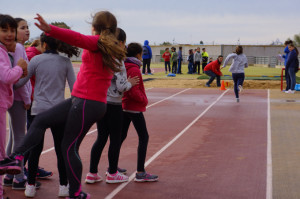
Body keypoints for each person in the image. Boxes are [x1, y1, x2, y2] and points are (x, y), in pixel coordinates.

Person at [0, 11, 126, 199]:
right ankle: (16, 157)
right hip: (82, 100)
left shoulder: (97, 42)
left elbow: (76, 38)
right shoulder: (106, 45)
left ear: (95, 26)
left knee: (68, 147)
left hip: (87, 102)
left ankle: (75, 192)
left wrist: (50, 29)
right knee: (41, 120)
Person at [15, 32, 78, 197]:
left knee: (35, 149)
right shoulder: (65, 62)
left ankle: (30, 187)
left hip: (38, 111)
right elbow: (74, 89)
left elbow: (20, 83)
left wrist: (14, 73)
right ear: (58, 45)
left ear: (43, 45)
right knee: (61, 149)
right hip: (59, 111)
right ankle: (64, 186)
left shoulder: (36, 60)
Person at [86, 28, 139, 184]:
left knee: (101, 137)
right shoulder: (118, 60)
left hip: (101, 102)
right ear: (121, 43)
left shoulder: (103, 57)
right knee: (115, 138)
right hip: (114, 104)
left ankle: (92, 173)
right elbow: (122, 86)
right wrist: (130, 82)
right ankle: (112, 173)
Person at [120, 42, 158, 182]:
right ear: (138, 54)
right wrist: (144, 100)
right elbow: (133, 91)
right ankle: (140, 172)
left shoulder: (124, 66)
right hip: (133, 107)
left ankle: (112, 167)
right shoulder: (134, 69)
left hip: (124, 106)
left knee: (121, 136)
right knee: (144, 137)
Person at [0, 14, 28, 199]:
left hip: (4, 103)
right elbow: (8, 76)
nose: (9, 34)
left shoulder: (5, 50)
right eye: (4, 30)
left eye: (12, 30)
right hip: (3, 103)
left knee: (2, 154)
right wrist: (19, 67)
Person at [5, 18, 32, 190]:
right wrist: (27, 99)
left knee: (13, 138)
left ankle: (8, 174)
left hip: (12, 98)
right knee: (20, 138)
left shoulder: (14, 48)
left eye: (27, 27)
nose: (27, 30)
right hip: (19, 98)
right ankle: (19, 177)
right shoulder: (19, 47)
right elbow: (20, 78)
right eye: (22, 28)